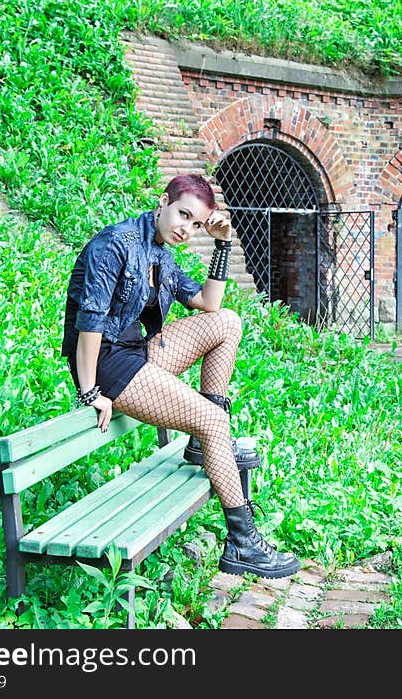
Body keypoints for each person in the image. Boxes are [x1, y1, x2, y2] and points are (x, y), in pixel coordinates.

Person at [61, 173, 299, 579]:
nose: (185, 229)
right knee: (214, 420)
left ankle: (200, 445)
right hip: (108, 363)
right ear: (162, 202)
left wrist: (222, 245)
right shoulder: (115, 245)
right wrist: (89, 391)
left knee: (227, 322)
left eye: (195, 224)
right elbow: (89, 326)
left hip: (138, 351)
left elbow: (210, 302)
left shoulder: (161, 253)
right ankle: (243, 542)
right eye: (182, 215)